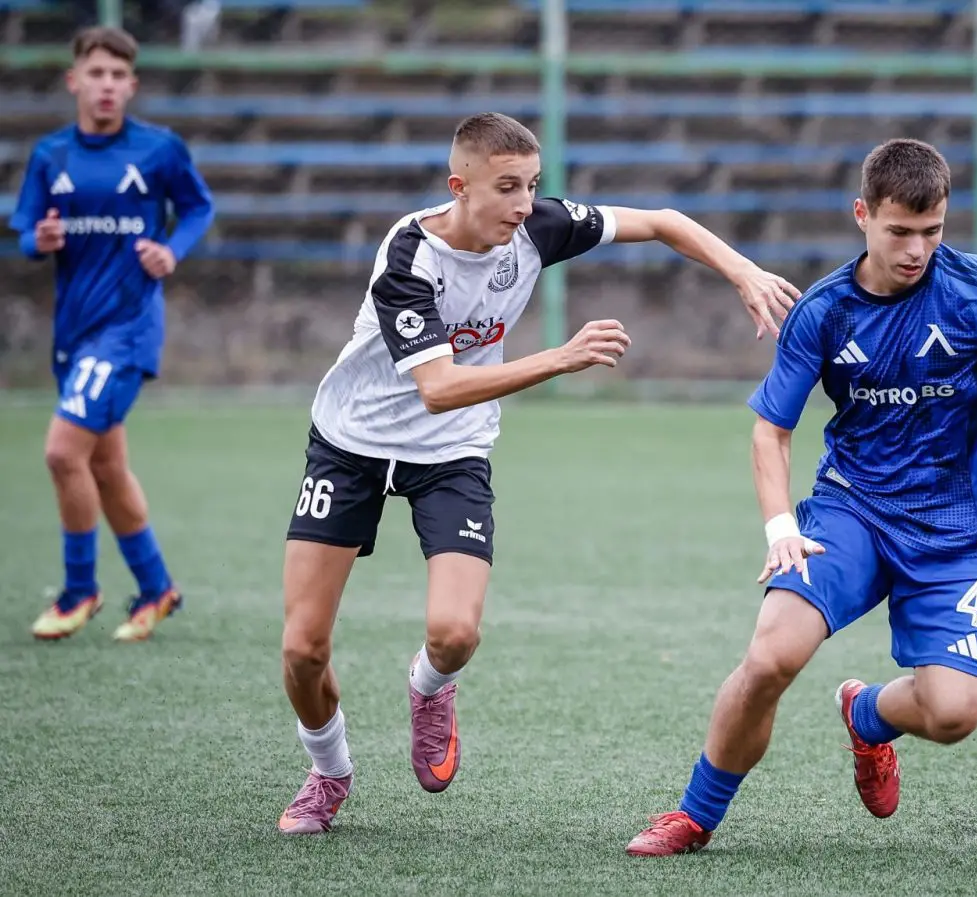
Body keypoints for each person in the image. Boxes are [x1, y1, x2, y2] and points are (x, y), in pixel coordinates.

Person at [625, 138, 977, 857]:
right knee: (769, 658)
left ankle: (868, 715)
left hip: (952, 535)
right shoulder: (824, 311)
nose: (917, 249)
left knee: (954, 713)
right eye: (900, 231)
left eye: (932, 231)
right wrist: (780, 527)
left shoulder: (976, 292)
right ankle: (694, 815)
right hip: (849, 513)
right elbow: (771, 431)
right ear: (862, 215)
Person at [274, 112, 802, 835]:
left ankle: (429, 689)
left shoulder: (536, 227)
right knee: (303, 648)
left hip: (451, 453)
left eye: (532, 185)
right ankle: (329, 772)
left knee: (455, 634)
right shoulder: (410, 257)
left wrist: (742, 271)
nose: (525, 204)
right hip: (350, 445)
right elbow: (438, 387)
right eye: (507, 188)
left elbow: (663, 221)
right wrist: (561, 357)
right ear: (459, 187)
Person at [10, 26, 216, 642]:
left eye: (118, 76)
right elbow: (26, 231)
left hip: (127, 329)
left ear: (132, 85)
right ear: (74, 81)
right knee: (105, 466)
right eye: (96, 73)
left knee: (61, 453)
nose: (107, 85)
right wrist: (39, 240)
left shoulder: (158, 150)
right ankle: (157, 589)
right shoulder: (51, 155)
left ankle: (79, 590)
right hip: (74, 332)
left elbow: (198, 207)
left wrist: (171, 250)